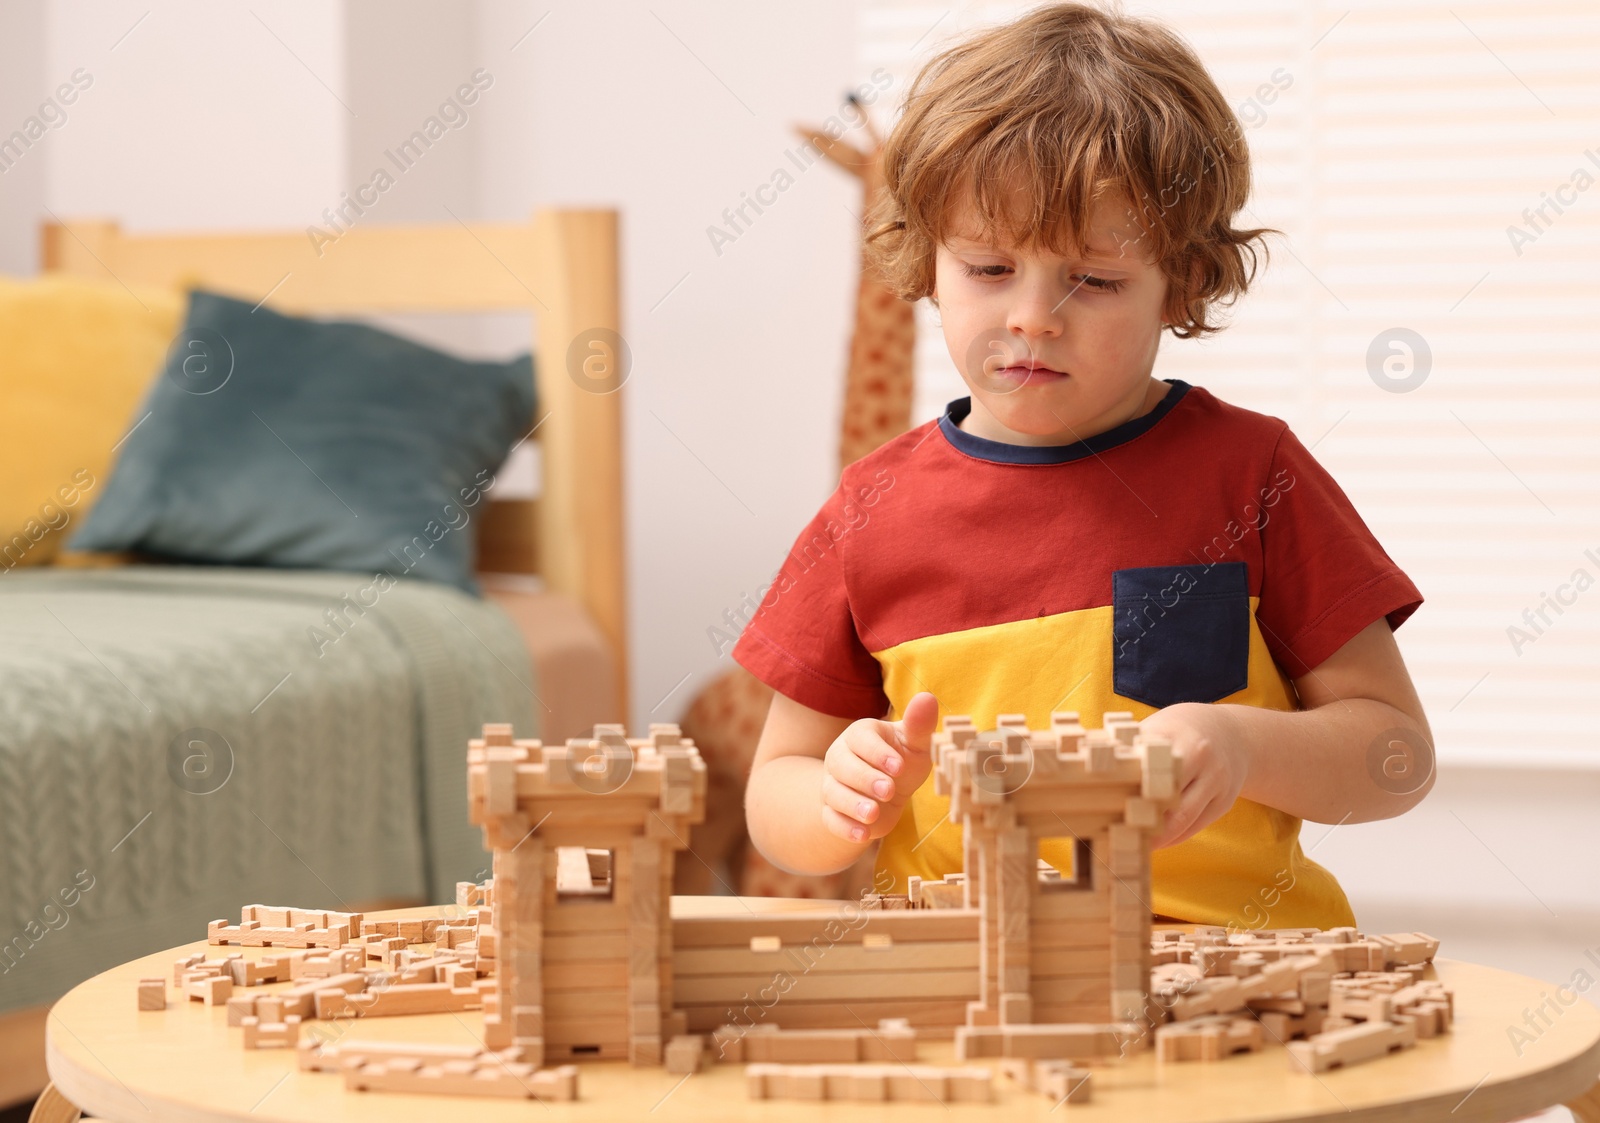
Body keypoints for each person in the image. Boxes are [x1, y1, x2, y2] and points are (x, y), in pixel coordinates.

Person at [733, 2, 1433, 929]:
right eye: (988, 267)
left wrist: (1241, 743)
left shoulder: (1252, 472)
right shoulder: (870, 509)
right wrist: (837, 798)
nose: (1033, 315)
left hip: (1231, 973)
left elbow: (1394, 758)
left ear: (1180, 284)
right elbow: (777, 788)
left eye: (1095, 281)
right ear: (927, 262)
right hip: (968, 983)